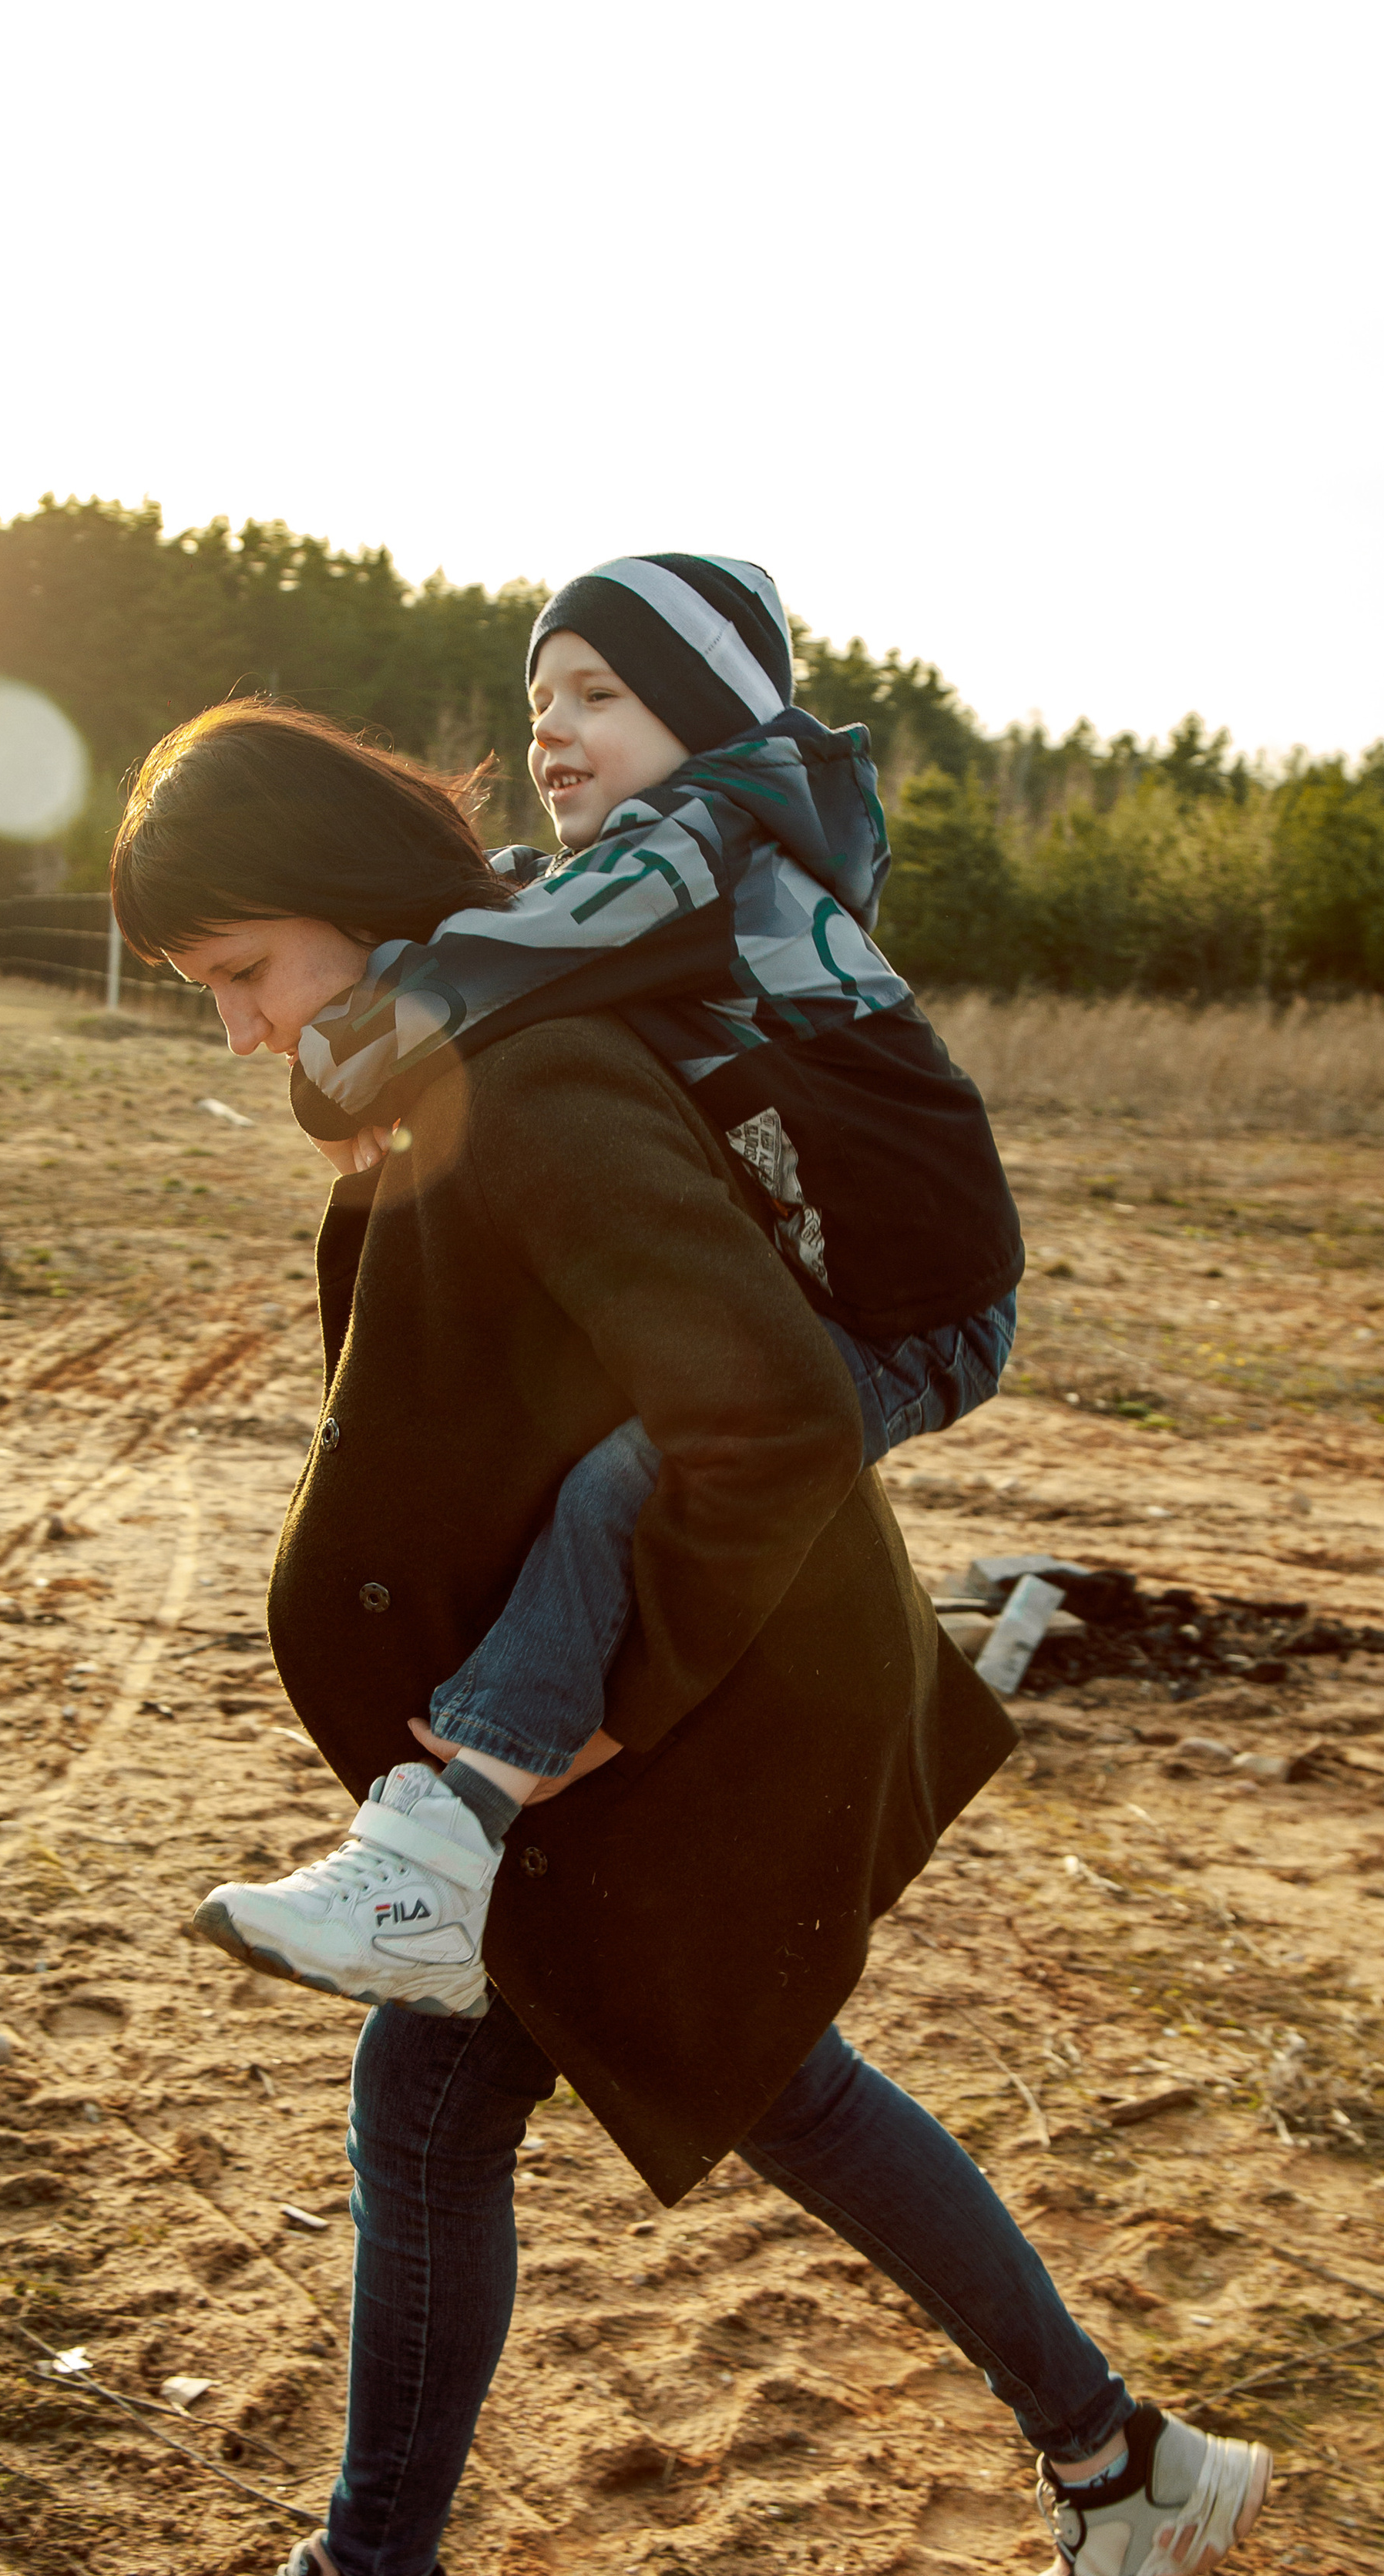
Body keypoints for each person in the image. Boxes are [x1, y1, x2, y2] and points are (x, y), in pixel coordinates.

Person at [92, 686, 1271, 2576]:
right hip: (622, 1721)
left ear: (352, 913)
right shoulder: (471, 1051)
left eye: (244, 975)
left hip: (646, 1721)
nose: (241, 1032)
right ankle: (1120, 2465)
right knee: (722, 2081)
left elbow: (767, 1415)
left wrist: (574, 1730)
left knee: (509, 2094)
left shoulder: (532, 1073)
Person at [115, 554, 1025, 2006]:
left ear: (714, 724)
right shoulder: (655, 869)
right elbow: (531, 919)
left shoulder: (706, 844)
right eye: (543, 697)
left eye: (601, 694)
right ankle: (431, 1863)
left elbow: (515, 955)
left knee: (627, 1485)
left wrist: (345, 1064)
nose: (552, 729)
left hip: (919, 1310)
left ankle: (447, 1832)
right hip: (849, 1282)